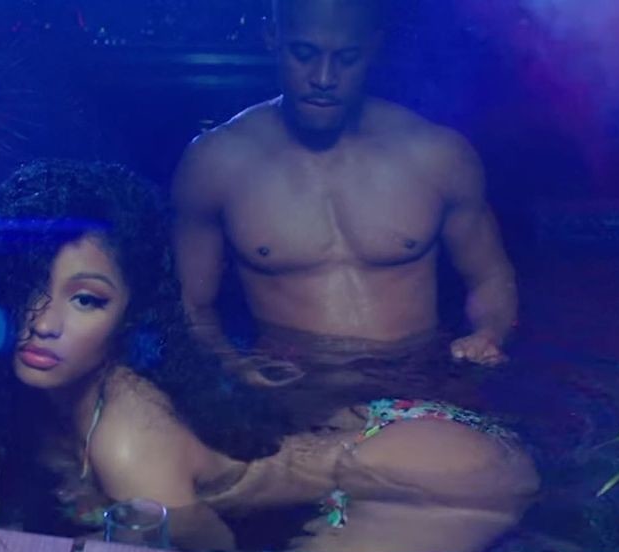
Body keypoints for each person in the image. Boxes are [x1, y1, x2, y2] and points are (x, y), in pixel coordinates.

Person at [0, 159, 536, 552]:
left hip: (446, 476)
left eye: (86, 299)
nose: (43, 323)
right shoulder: (75, 395)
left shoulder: (128, 443)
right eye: (29, 286)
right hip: (392, 433)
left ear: (129, 314)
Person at [169, 0, 527, 516]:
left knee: (513, 487)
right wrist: (235, 368)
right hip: (295, 400)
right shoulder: (217, 162)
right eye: (304, 54)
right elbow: (190, 306)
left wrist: (488, 334)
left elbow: (490, 277)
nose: (323, 78)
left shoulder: (434, 154)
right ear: (271, 39)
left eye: (346, 58)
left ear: (374, 49)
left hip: (422, 388)